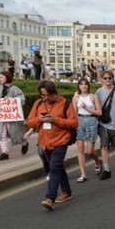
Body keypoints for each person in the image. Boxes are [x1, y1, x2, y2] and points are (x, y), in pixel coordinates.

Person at [26, 80, 78, 210]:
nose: (46, 98)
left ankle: (50, 198)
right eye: (43, 95)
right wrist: (39, 119)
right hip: (45, 141)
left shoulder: (66, 103)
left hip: (61, 140)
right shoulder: (38, 104)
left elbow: (74, 123)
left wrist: (56, 120)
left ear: (55, 93)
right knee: (57, 166)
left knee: (54, 167)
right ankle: (67, 191)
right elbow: (30, 122)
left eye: (48, 95)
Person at [72, 78, 102, 182]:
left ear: (88, 86)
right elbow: (74, 113)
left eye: (85, 84)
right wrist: (75, 123)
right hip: (80, 121)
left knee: (89, 151)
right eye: (81, 84)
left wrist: (86, 108)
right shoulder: (76, 98)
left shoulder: (93, 97)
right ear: (79, 86)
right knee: (80, 149)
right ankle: (83, 174)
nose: (83, 86)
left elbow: (99, 113)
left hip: (91, 120)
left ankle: (98, 162)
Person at [0, 70, 27, 160]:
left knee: (15, 133)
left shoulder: (14, 88)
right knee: (2, 133)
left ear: (7, 78)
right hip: (1, 115)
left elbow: (22, 99)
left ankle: (24, 143)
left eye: (2, 77)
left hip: (12, 116)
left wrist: (11, 99)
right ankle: (4, 152)